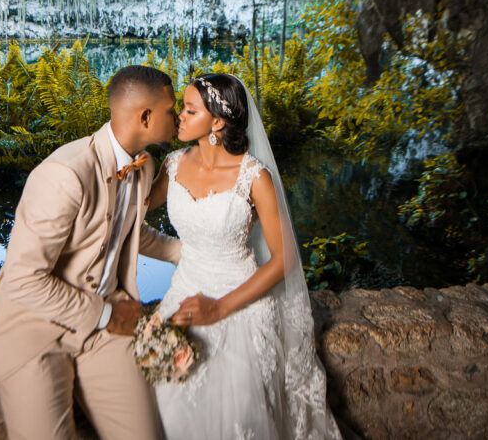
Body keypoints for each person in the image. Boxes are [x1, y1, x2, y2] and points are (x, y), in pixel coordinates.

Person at [0, 65, 182, 440]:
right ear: (145, 117)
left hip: (104, 328)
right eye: (172, 109)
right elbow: (23, 280)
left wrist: (187, 253)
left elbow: (127, 231)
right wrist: (105, 315)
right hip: (35, 327)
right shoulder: (65, 174)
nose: (178, 116)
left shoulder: (144, 167)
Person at [147, 73, 343, 439]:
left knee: (235, 413)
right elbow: (134, 207)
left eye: (190, 111)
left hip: (239, 301)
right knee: (168, 407)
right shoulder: (172, 165)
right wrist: (137, 161)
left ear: (217, 122)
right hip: (183, 292)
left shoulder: (254, 177)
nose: (180, 118)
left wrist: (220, 308)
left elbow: (284, 260)